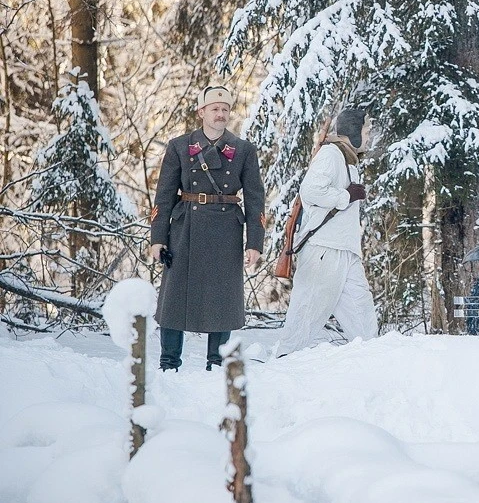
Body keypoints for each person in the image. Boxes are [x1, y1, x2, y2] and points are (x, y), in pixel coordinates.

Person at [149, 86, 265, 370]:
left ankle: (217, 362)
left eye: (225, 109)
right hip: (185, 227)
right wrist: (157, 238)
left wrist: (254, 242)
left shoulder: (244, 150)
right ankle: (169, 362)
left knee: (223, 296)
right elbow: (164, 195)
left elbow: (255, 198)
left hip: (226, 229)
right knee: (175, 295)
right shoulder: (179, 146)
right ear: (201, 112)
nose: (220, 114)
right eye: (214, 109)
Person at [274, 108, 378, 355]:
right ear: (353, 132)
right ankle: (283, 363)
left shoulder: (348, 160)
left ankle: (373, 360)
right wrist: (345, 196)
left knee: (362, 314)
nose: (368, 136)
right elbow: (311, 191)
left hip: (345, 250)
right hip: (324, 249)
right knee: (305, 315)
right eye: (365, 131)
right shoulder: (331, 154)